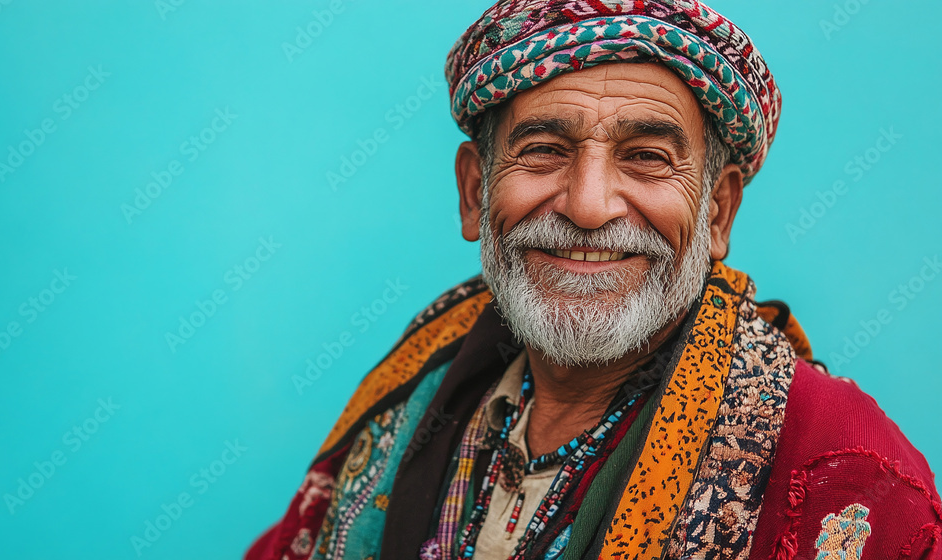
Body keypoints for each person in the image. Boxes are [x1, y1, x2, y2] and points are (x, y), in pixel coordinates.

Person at [246, 1, 942, 558]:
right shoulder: (415, 394)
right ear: (473, 193)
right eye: (544, 150)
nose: (587, 206)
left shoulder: (846, 467)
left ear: (719, 209)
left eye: (644, 158)